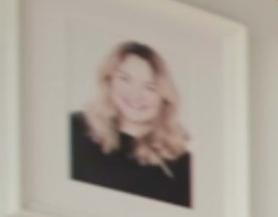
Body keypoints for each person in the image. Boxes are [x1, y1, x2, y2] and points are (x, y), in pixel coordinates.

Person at [70, 40, 194, 207]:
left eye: (150, 87)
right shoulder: (76, 128)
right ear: (109, 80)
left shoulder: (181, 165)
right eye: (125, 79)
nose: (136, 94)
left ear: (164, 97)